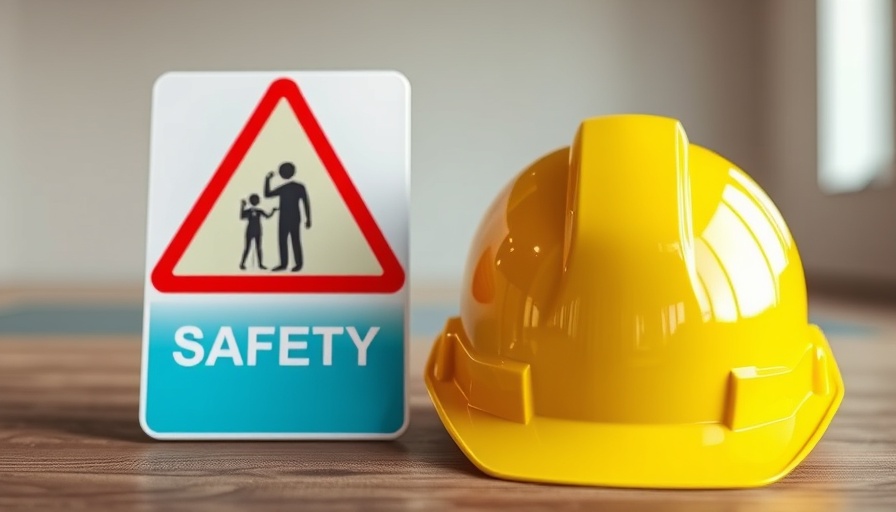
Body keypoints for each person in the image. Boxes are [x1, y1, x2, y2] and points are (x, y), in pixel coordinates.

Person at [264, 161, 311, 271]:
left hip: (293, 217)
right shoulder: (285, 187)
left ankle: (298, 264)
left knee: (295, 240)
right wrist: (267, 179)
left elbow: (306, 202)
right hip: (284, 217)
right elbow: (268, 194)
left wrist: (308, 218)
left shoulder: (298, 187)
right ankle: (283, 264)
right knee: (283, 240)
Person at [239, 194, 277, 270]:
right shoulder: (249, 211)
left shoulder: (259, 211)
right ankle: (242, 264)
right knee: (248, 248)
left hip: (257, 231)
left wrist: (273, 211)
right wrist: (242, 206)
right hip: (250, 231)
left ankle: (260, 264)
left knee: (258, 248)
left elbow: (267, 216)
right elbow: (242, 216)